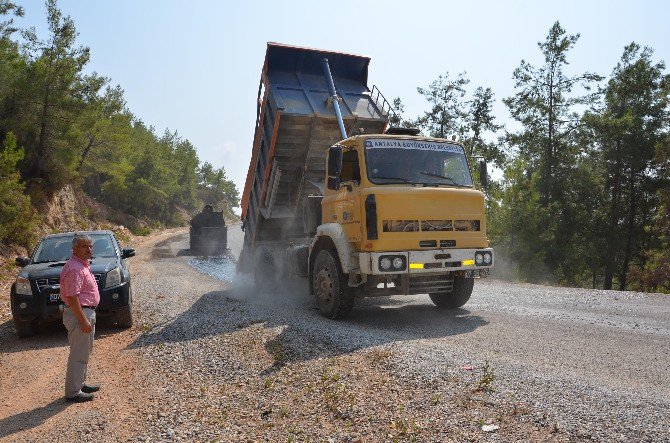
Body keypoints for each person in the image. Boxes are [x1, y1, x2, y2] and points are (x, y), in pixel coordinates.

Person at [60, 233, 100, 403]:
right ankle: (73, 392)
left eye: (90, 246)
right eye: (84, 246)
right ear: (74, 248)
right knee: (78, 354)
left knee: (84, 352)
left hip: (86, 312)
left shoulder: (82, 265)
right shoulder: (75, 268)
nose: (88, 249)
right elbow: (72, 297)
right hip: (80, 314)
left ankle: (80, 384)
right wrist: (83, 320)